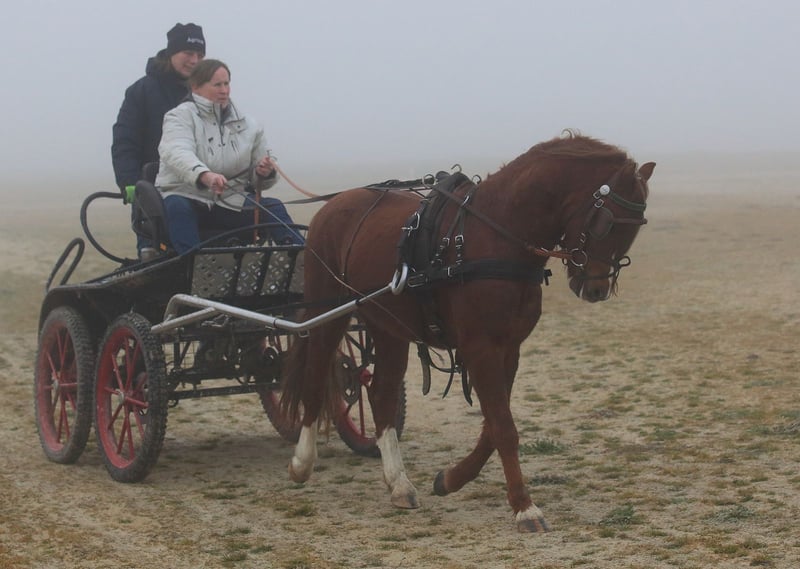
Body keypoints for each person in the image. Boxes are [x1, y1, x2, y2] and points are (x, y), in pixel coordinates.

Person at [156, 59, 302, 252]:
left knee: (273, 208)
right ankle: (192, 264)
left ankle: (301, 259)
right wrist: (205, 176)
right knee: (178, 208)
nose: (224, 90)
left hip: (230, 201)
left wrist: (265, 172)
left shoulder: (250, 125)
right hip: (185, 195)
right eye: (217, 85)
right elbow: (176, 152)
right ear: (195, 87)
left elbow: (261, 173)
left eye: (226, 84)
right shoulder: (178, 117)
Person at [111, 22, 206, 258]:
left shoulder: (207, 93)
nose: (194, 60)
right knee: (154, 263)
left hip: (201, 194)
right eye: (188, 53)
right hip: (153, 198)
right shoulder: (141, 91)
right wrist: (130, 183)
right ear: (171, 52)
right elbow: (125, 141)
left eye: (199, 55)